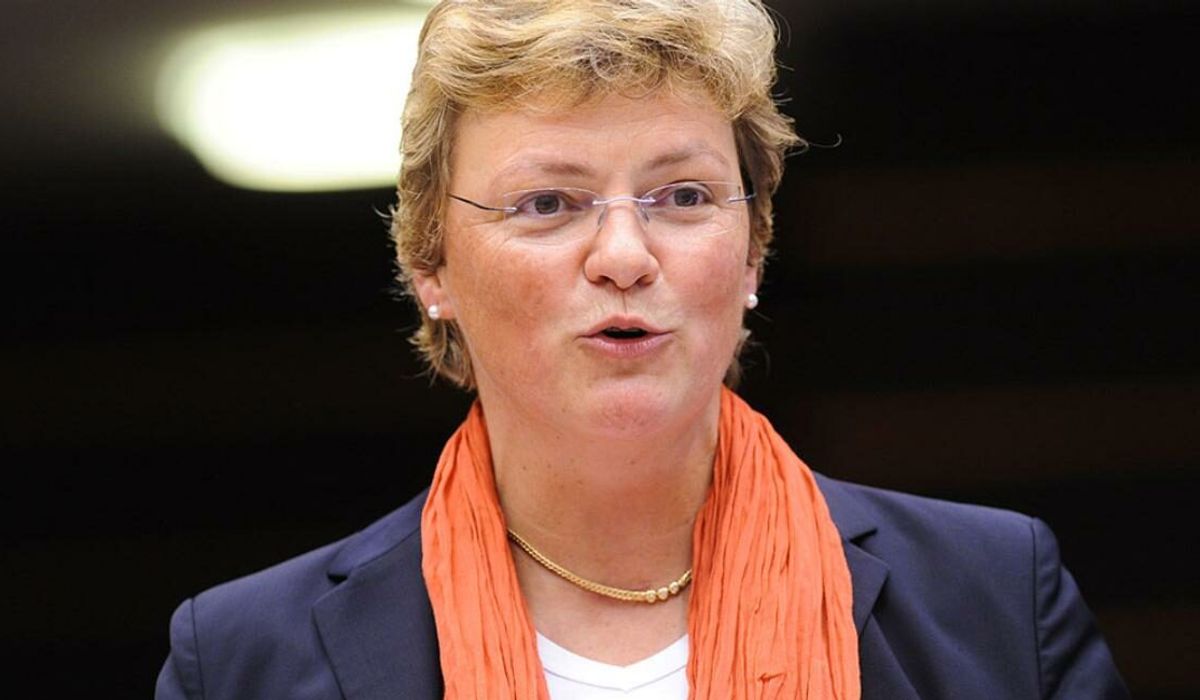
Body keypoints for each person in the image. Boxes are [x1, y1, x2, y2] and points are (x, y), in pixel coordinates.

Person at [155, 1, 1129, 698]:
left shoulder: (995, 597)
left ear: (753, 252)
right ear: (430, 267)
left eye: (683, 196)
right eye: (548, 202)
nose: (624, 255)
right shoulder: (243, 661)